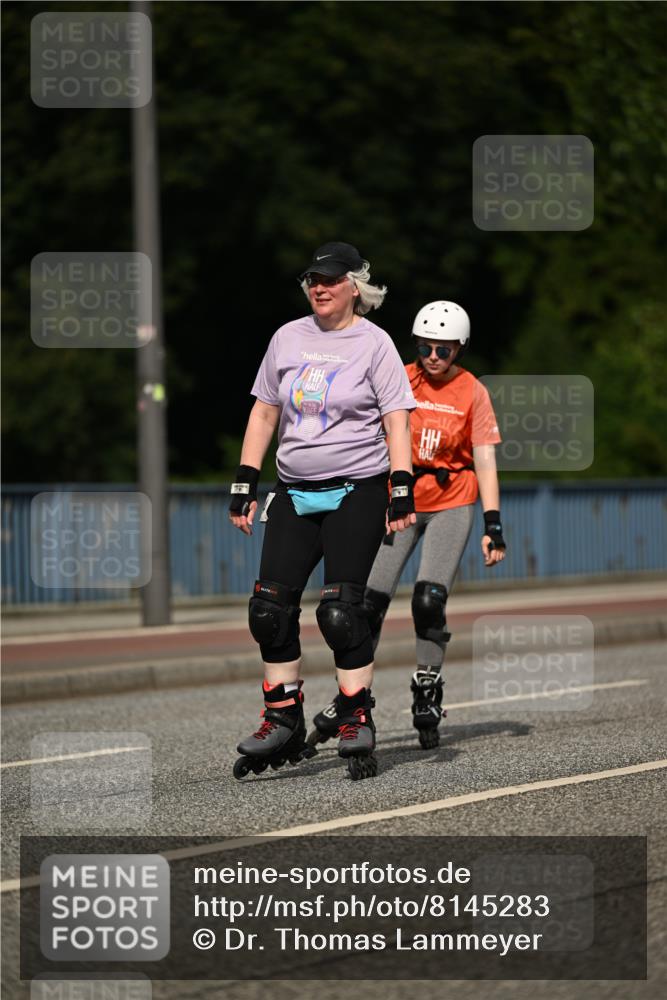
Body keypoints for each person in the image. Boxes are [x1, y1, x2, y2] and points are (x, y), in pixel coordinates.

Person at [228, 241, 416, 780]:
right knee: (268, 608)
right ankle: (282, 716)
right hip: (293, 489)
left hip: (357, 488)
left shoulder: (374, 344)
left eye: (332, 279)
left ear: (355, 286)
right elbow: (265, 412)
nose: (320, 287)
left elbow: (397, 418)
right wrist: (245, 480)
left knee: (339, 611)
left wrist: (400, 484)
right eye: (313, 278)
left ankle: (356, 714)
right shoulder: (287, 337)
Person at [308, 300, 506, 751]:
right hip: (402, 501)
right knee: (366, 604)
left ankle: (428, 688)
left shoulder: (472, 390)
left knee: (428, 599)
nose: (433, 357)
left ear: (460, 350)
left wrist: (493, 524)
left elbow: (486, 460)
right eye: (425, 348)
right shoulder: (400, 374)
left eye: (444, 350)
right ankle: (351, 697)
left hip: (453, 502)